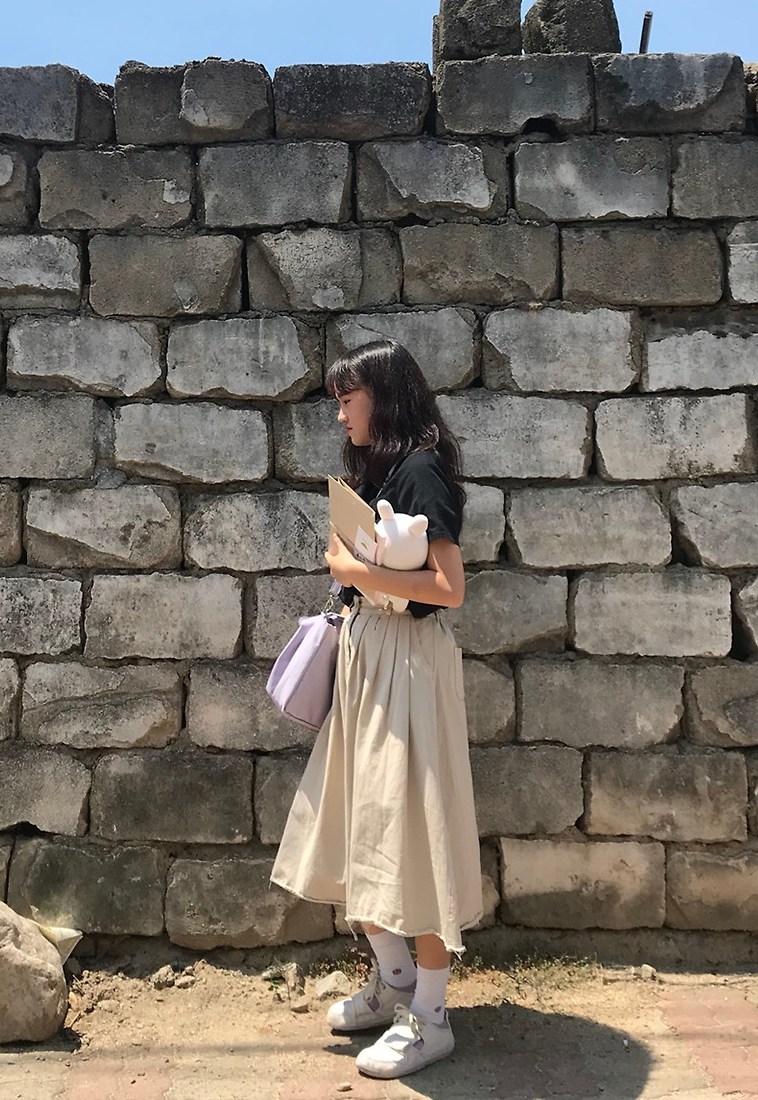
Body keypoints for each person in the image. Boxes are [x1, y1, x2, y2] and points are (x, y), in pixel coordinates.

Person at [271, 338, 483, 1081]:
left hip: (409, 666)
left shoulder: (421, 470)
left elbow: (450, 588)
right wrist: (351, 564)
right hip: (371, 662)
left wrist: (352, 568)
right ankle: (394, 983)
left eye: (348, 399)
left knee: (414, 832)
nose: (340, 415)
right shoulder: (381, 470)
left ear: (383, 398)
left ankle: (431, 1016)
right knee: (361, 821)